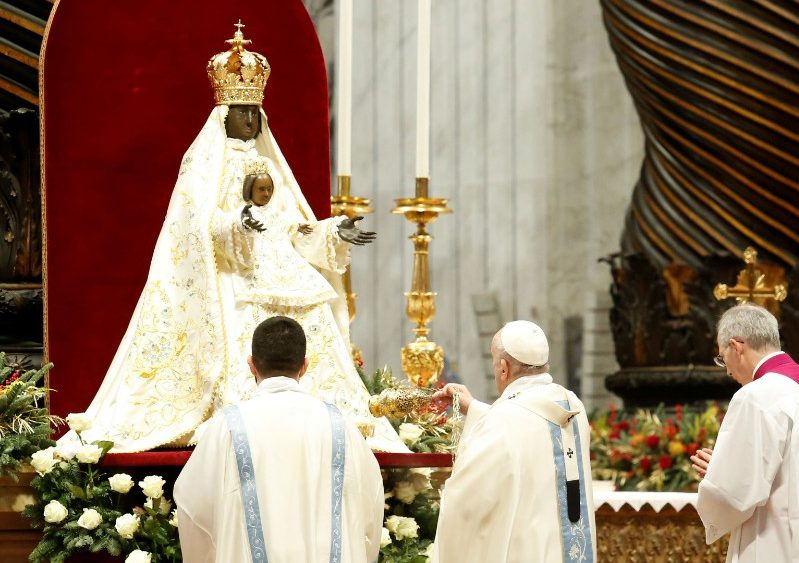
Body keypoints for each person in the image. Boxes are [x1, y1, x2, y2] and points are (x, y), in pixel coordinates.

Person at [61, 25, 403, 452]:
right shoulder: (205, 166)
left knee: (314, 326)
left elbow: (295, 229)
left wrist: (333, 230)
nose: (249, 118)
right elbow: (192, 230)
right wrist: (236, 226)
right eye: (241, 111)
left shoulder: (272, 166)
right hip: (234, 275)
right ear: (224, 116)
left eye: (254, 111)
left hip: (284, 269)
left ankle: (323, 415)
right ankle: (234, 416)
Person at [174, 316, 384, 563]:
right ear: (305, 366)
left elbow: (194, 509)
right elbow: (370, 508)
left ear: (251, 365)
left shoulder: (227, 427)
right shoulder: (341, 426)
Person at [691, 303, 799, 563]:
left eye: (722, 357)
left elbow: (735, 493)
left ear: (736, 347)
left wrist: (717, 472)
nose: (726, 370)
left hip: (776, 544)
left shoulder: (755, 396)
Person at [431, 320, 596, 562]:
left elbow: (466, 506)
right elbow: (527, 429)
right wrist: (474, 408)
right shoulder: (572, 404)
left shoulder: (504, 420)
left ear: (504, 368)